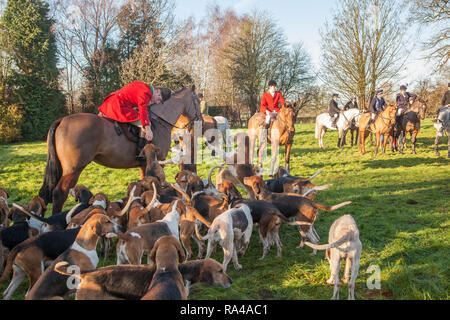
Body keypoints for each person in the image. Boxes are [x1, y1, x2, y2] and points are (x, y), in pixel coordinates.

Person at [98, 81, 171, 161]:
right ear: (158, 91)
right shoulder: (146, 93)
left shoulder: (143, 85)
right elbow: (143, 111)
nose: (157, 102)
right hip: (118, 107)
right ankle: (140, 154)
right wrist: (148, 129)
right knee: (145, 122)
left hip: (111, 102)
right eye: (159, 99)